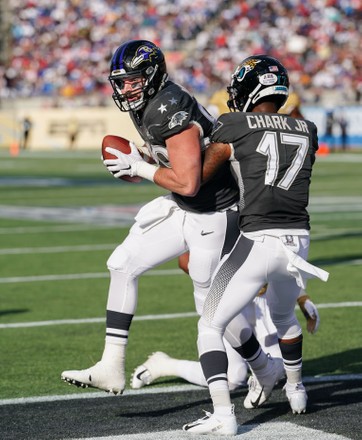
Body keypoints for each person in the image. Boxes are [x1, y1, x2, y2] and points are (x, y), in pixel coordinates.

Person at [61, 40, 278, 402]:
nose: (124, 88)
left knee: (209, 305)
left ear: (152, 75)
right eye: (121, 81)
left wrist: (140, 167)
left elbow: (189, 181)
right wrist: (140, 157)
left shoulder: (169, 107)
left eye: (132, 81)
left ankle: (265, 368)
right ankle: (111, 365)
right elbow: (173, 167)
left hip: (215, 211)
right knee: (122, 264)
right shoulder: (149, 103)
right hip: (186, 205)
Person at [181, 55, 329, 436]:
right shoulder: (307, 128)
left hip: (259, 240)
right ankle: (297, 391)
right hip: (299, 244)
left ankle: (223, 415)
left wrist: (149, 166)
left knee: (210, 325)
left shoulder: (233, 124)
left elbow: (198, 177)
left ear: (250, 89)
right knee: (283, 318)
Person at [131, 253, 320, 393]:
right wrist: (238, 281)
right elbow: (185, 260)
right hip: (230, 297)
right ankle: (164, 365)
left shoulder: (261, 206)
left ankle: (258, 370)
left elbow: (284, 257)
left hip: (266, 299)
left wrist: (302, 298)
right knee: (232, 377)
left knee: (283, 369)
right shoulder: (215, 207)